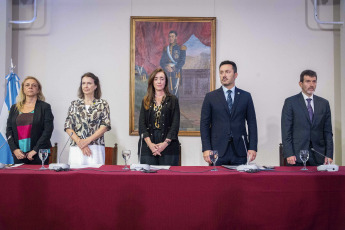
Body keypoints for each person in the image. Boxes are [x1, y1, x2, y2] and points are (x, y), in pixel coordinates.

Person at [200, 60, 258, 166]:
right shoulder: (210, 97)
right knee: (217, 182)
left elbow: (252, 123)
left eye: (227, 72)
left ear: (235, 75)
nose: (224, 75)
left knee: (240, 182)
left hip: (240, 151)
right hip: (217, 151)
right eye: (221, 72)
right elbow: (204, 125)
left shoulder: (246, 96)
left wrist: (252, 147)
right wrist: (206, 148)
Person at [281, 70, 333, 166]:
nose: (311, 84)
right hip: (296, 156)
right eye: (308, 81)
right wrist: (289, 153)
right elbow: (286, 130)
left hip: (319, 155)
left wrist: (329, 154)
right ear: (300, 84)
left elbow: (328, 132)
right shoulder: (291, 102)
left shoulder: (324, 103)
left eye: (314, 81)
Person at [64, 72, 111, 165]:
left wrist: (87, 141)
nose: (86, 86)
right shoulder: (74, 104)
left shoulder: (102, 103)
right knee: (75, 177)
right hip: (77, 148)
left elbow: (105, 126)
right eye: (83, 83)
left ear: (95, 86)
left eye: (89, 83)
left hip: (95, 147)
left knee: (95, 177)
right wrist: (80, 143)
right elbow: (68, 126)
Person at [6, 76, 54, 164]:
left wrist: (35, 150)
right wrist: (15, 149)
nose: (30, 87)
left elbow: (48, 130)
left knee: (39, 178)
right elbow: (9, 130)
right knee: (19, 178)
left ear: (38, 89)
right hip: (19, 154)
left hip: (39, 153)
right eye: (27, 85)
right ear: (23, 89)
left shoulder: (45, 107)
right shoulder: (14, 108)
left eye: (34, 85)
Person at [138, 68, 180, 166]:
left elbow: (175, 124)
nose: (159, 81)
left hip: (168, 145)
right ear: (152, 81)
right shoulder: (146, 100)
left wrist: (164, 144)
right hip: (148, 146)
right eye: (156, 79)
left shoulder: (173, 100)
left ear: (166, 81)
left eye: (162, 79)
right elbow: (141, 125)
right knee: (148, 180)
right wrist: (151, 145)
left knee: (168, 179)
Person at [160, 30, 187, 97]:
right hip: (167, 73)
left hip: (176, 73)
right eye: (169, 37)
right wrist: (166, 67)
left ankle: (175, 107)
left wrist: (173, 68)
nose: (171, 38)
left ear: (176, 37)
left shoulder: (180, 48)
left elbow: (182, 61)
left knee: (175, 91)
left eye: (172, 36)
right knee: (167, 91)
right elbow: (161, 62)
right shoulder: (166, 49)